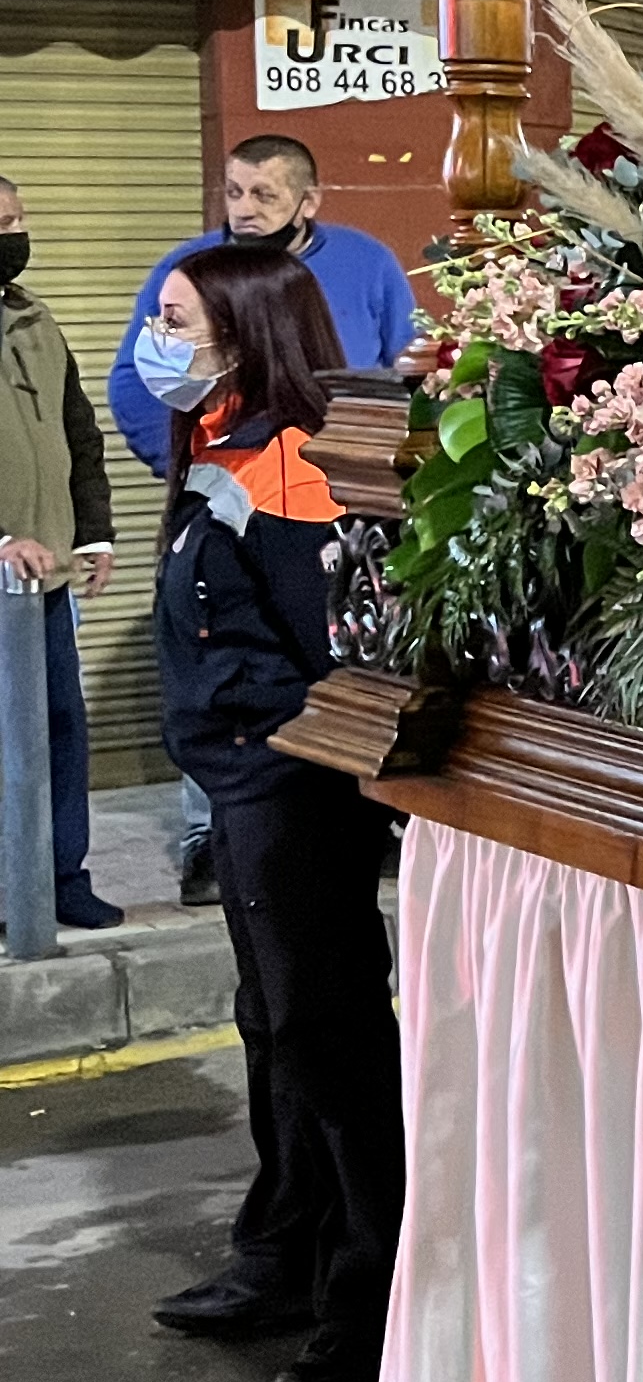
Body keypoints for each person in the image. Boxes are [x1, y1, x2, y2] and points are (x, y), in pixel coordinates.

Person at [138, 243, 404, 1382]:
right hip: (241, 783)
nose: (157, 337)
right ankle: (282, 1253)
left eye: (178, 319)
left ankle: (371, 1295)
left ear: (245, 334)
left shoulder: (292, 470)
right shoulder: (222, 449)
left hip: (291, 791)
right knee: (273, 1029)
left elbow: (330, 656)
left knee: (327, 1036)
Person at [112, 134, 418, 907]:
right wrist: (192, 468)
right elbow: (131, 385)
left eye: (265, 196)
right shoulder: (196, 270)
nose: (243, 210)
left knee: (304, 984)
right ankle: (203, 838)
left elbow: (318, 645)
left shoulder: (290, 466)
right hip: (240, 761)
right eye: (234, 192)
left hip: (279, 769)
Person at [0, 174, 122, 926]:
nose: (15, 234)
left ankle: (59, 876)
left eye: (16, 218)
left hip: (44, 582)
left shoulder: (37, 320)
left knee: (59, 728)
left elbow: (79, 432)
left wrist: (94, 531)